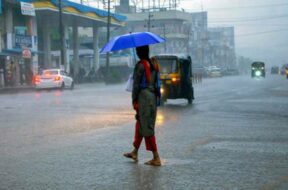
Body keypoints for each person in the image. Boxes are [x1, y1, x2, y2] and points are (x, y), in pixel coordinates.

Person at [123, 45, 161, 166]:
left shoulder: (140, 66)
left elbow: (135, 86)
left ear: (139, 53)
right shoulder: (154, 64)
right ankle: (135, 152)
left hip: (144, 98)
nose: (137, 53)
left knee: (147, 127)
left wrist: (134, 100)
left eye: (137, 51)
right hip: (152, 98)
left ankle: (156, 157)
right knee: (140, 124)